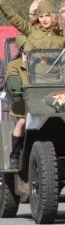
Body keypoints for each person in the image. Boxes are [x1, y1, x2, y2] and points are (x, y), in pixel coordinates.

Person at [4, 35, 28, 169]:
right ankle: (14, 156)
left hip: (43, 101)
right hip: (22, 102)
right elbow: (15, 85)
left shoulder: (44, 62)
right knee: (22, 121)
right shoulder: (14, 65)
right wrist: (25, 64)